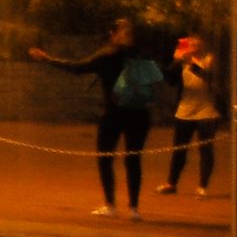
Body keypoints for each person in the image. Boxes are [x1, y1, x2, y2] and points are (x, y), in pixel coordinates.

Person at [29, 17, 163, 218]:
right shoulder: (141, 55)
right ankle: (134, 208)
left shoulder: (107, 54)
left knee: (105, 158)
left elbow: (77, 68)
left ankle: (110, 205)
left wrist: (47, 59)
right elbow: (154, 80)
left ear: (112, 34)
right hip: (139, 114)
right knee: (133, 160)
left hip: (114, 113)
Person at [159, 33, 225, 197]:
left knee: (205, 150)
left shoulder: (209, 59)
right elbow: (170, 80)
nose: (193, 45)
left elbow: (209, 78)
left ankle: (202, 186)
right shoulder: (183, 61)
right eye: (190, 42)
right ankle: (171, 183)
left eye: (196, 42)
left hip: (207, 111)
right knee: (179, 149)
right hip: (185, 111)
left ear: (203, 44)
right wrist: (176, 61)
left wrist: (192, 64)